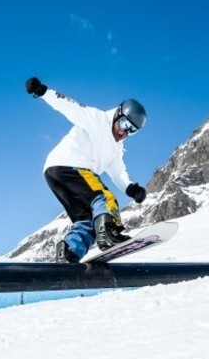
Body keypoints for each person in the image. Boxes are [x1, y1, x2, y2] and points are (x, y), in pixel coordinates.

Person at [26, 76, 148, 263]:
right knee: (104, 198)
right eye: (125, 124)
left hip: (54, 174)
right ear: (118, 114)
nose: (124, 132)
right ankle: (109, 234)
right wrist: (43, 91)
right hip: (69, 164)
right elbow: (69, 106)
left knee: (87, 220)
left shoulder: (116, 149)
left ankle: (69, 253)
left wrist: (131, 188)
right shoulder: (97, 119)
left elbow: (118, 172)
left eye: (132, 130)